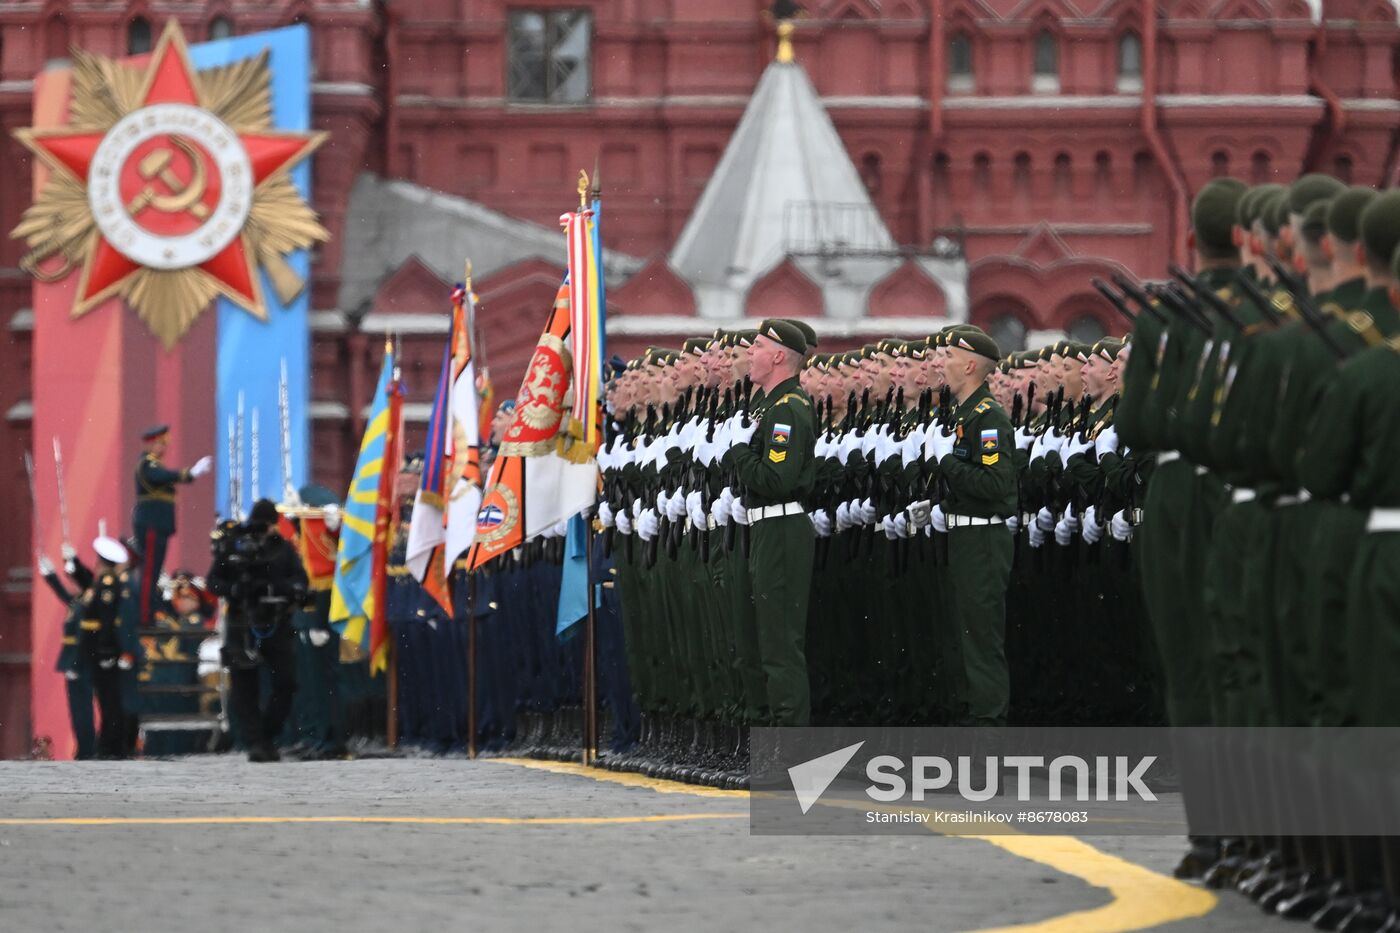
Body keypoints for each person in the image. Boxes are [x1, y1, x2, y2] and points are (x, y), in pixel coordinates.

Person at [911, 327, 1016, 726]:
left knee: (980, 643)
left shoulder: (988, 418)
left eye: (950, 357)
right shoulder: (963, 414)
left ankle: (986, 747)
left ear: (971, 365)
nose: (941, 364)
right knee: (961, 639)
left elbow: (995, 483)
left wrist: (947, 462)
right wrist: (937, 504)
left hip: (983, 538)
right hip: (963, 533)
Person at [724, 319, 818, 727]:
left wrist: (739, 453)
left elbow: (776, 480)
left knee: (780, 645)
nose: (750, 353)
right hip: (765, 527)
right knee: (760, 642)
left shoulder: (787, 409)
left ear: (779, 356)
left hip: (781, 528)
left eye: (758, 346)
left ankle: (791, 752)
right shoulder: (770, 407)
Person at [207, 498, 310, 762]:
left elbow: (300, 580)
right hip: (243, 621)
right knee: (244, 686)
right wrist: (234, 589)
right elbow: (213, 581)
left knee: (286, 683)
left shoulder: (282, 549)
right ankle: (255, 742)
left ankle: (267, 734)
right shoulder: (233, 545)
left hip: (275, 620)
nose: (263, 533)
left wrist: (281, 589)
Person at [133, 425, 213, 625]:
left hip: (158, 525)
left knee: (153, 570)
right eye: (159, 443)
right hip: (151, 524)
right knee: (149, 571)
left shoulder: (155, 465)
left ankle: (149, 611)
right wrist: (189, 473)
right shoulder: (147, 465)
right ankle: (144, 615)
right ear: (150, 444)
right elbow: (162, 476)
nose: (163, 448)